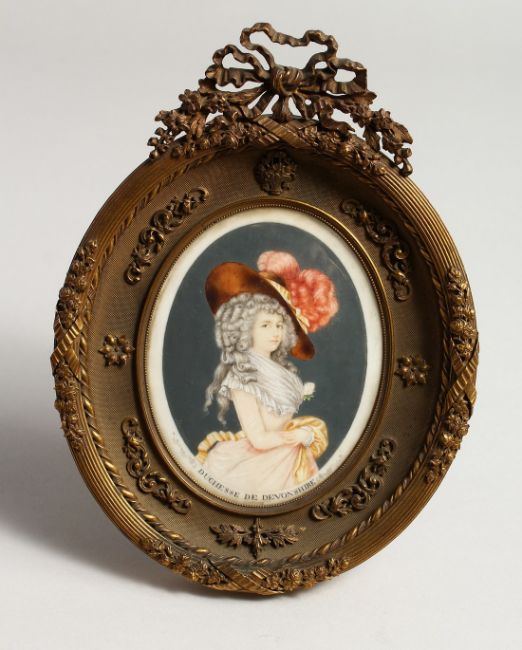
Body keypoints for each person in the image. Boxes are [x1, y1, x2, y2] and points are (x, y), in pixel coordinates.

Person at [197, 250, 338, 494]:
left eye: (279, 325)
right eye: (265, 325)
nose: (275, 333)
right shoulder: (241, 377)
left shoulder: (282, 372)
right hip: (257, 466)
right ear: (244, 328)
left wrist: (301, 431)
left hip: (288, 455)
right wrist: (299, 435)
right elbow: (259, 439)